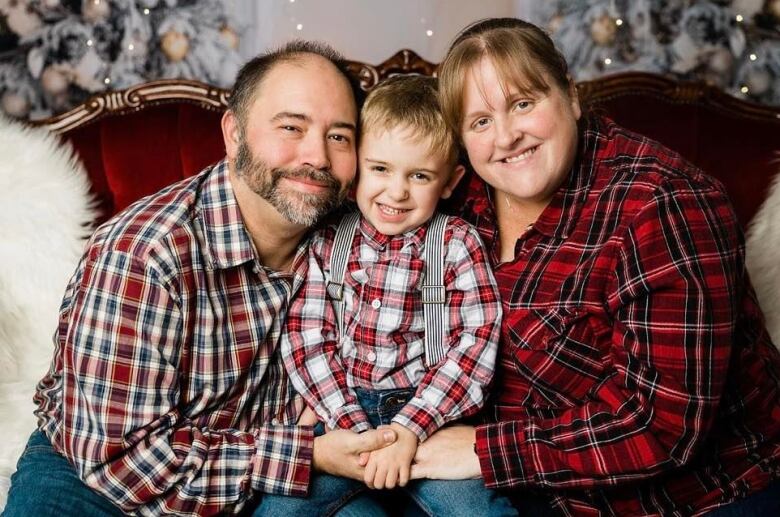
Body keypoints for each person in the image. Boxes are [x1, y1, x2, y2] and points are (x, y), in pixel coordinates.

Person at [2, 41, 400, 517]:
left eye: (339, 136)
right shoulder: (143, 254)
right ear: (234, 133)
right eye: (291, 127)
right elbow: (124, 462)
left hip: (256, 469)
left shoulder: (360, 239)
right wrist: (306, 453)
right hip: (101, 472)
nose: (317, 155)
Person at [409, 17, 780, 516]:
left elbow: (663, 429)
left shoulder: (667, 206)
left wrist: (483, 449)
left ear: (571, 95)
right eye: (480, 122)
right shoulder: (460, 200)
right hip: (528, 481)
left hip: (692, 495)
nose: (507, 136)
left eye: (523, 103)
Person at [257, 75, 516, 516]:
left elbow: (475, 344)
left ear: (450, 181)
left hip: (431, 416)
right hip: (341, 415)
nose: (396, 192)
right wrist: (355, 431)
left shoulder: (457, 243)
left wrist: (409, 429)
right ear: (356, 165)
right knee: (278, 510)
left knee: (481, 512)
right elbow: (307, 340)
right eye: (380, 169)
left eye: (419, 175)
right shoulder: (328, 242)